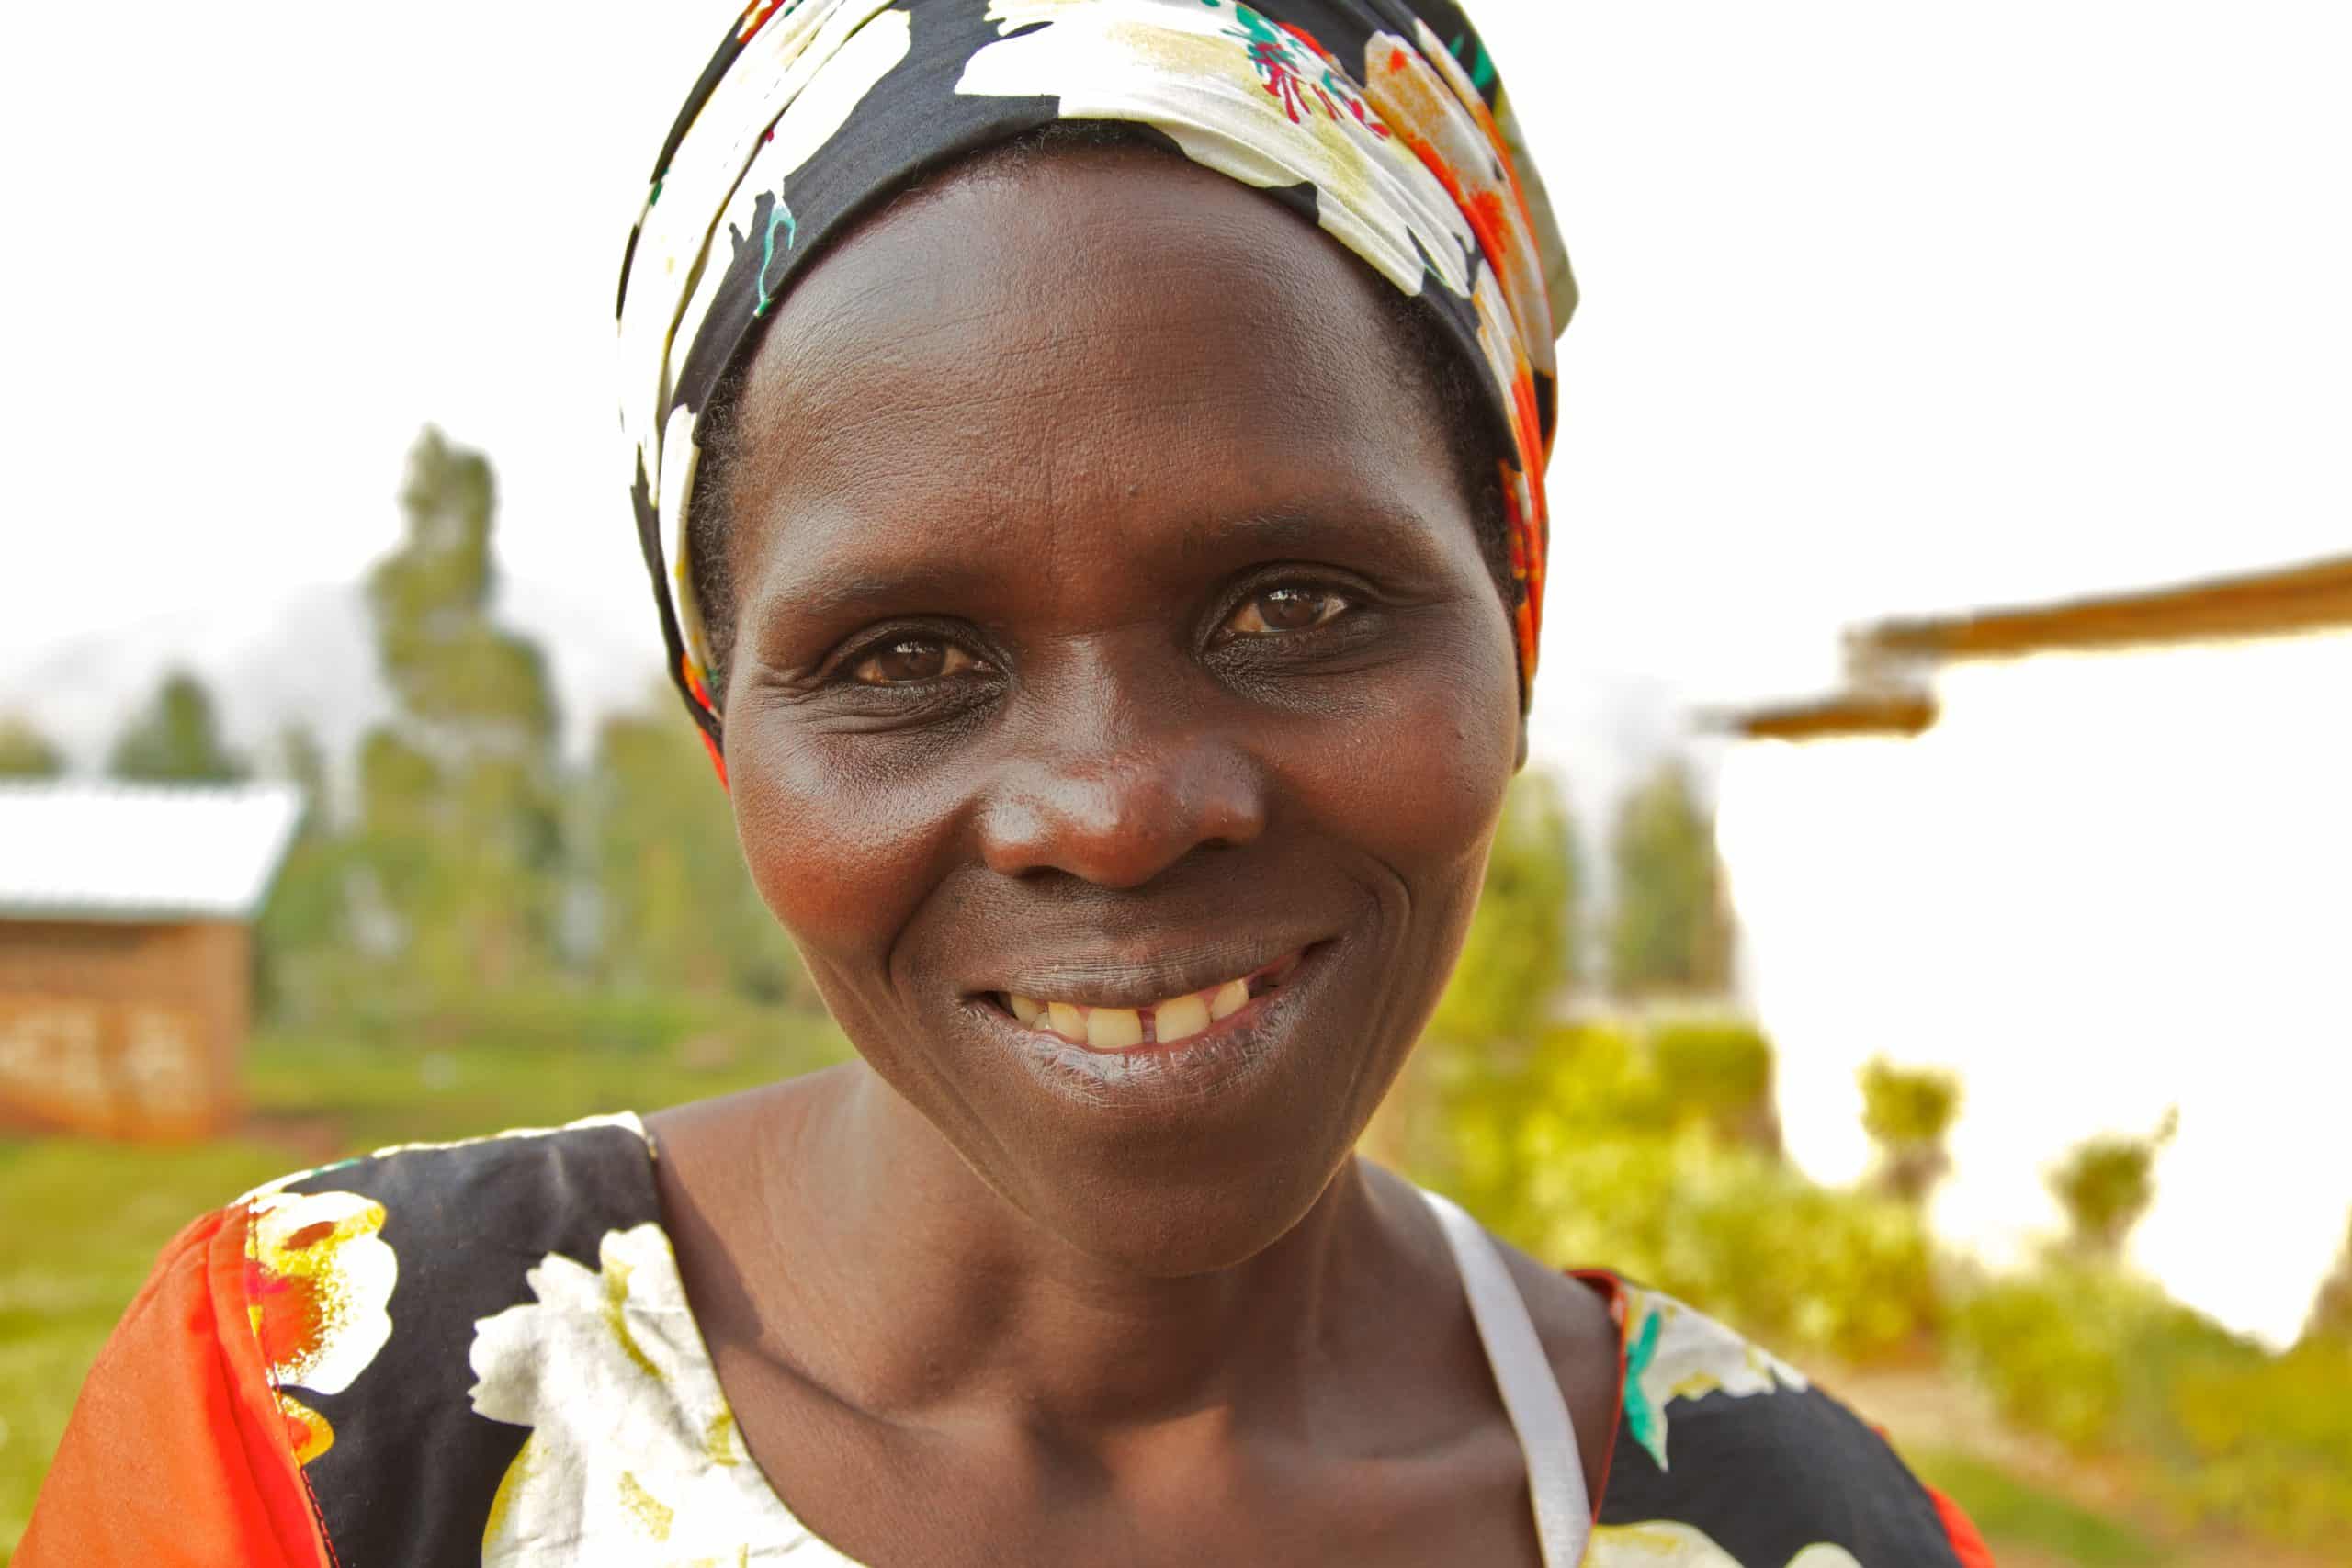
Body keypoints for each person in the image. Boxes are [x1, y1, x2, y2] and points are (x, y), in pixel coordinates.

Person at [25, 2, 1993, 1563]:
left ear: (1512, 617)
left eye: (1289, 601)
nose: (1115, 806)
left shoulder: (1790, 1521)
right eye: (903, 658)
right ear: (728, 721)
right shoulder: (329, 1425)